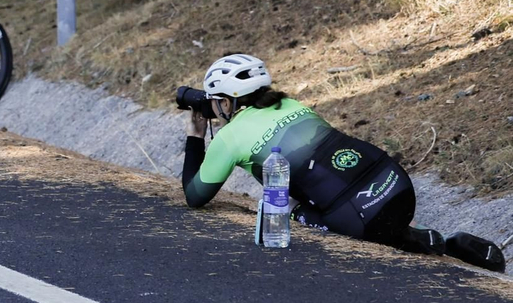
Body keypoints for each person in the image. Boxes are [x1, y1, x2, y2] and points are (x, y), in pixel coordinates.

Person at [181, 54, 506, 271]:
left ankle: (420, 241)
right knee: (331, 189)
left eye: (214, 102)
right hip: (397, 184)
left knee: (285, 202)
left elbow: (195, 196)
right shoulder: (291, 103)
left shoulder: (229, 137)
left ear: (226, 101)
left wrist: (196, 135)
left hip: (362, 214)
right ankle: (434, 239)